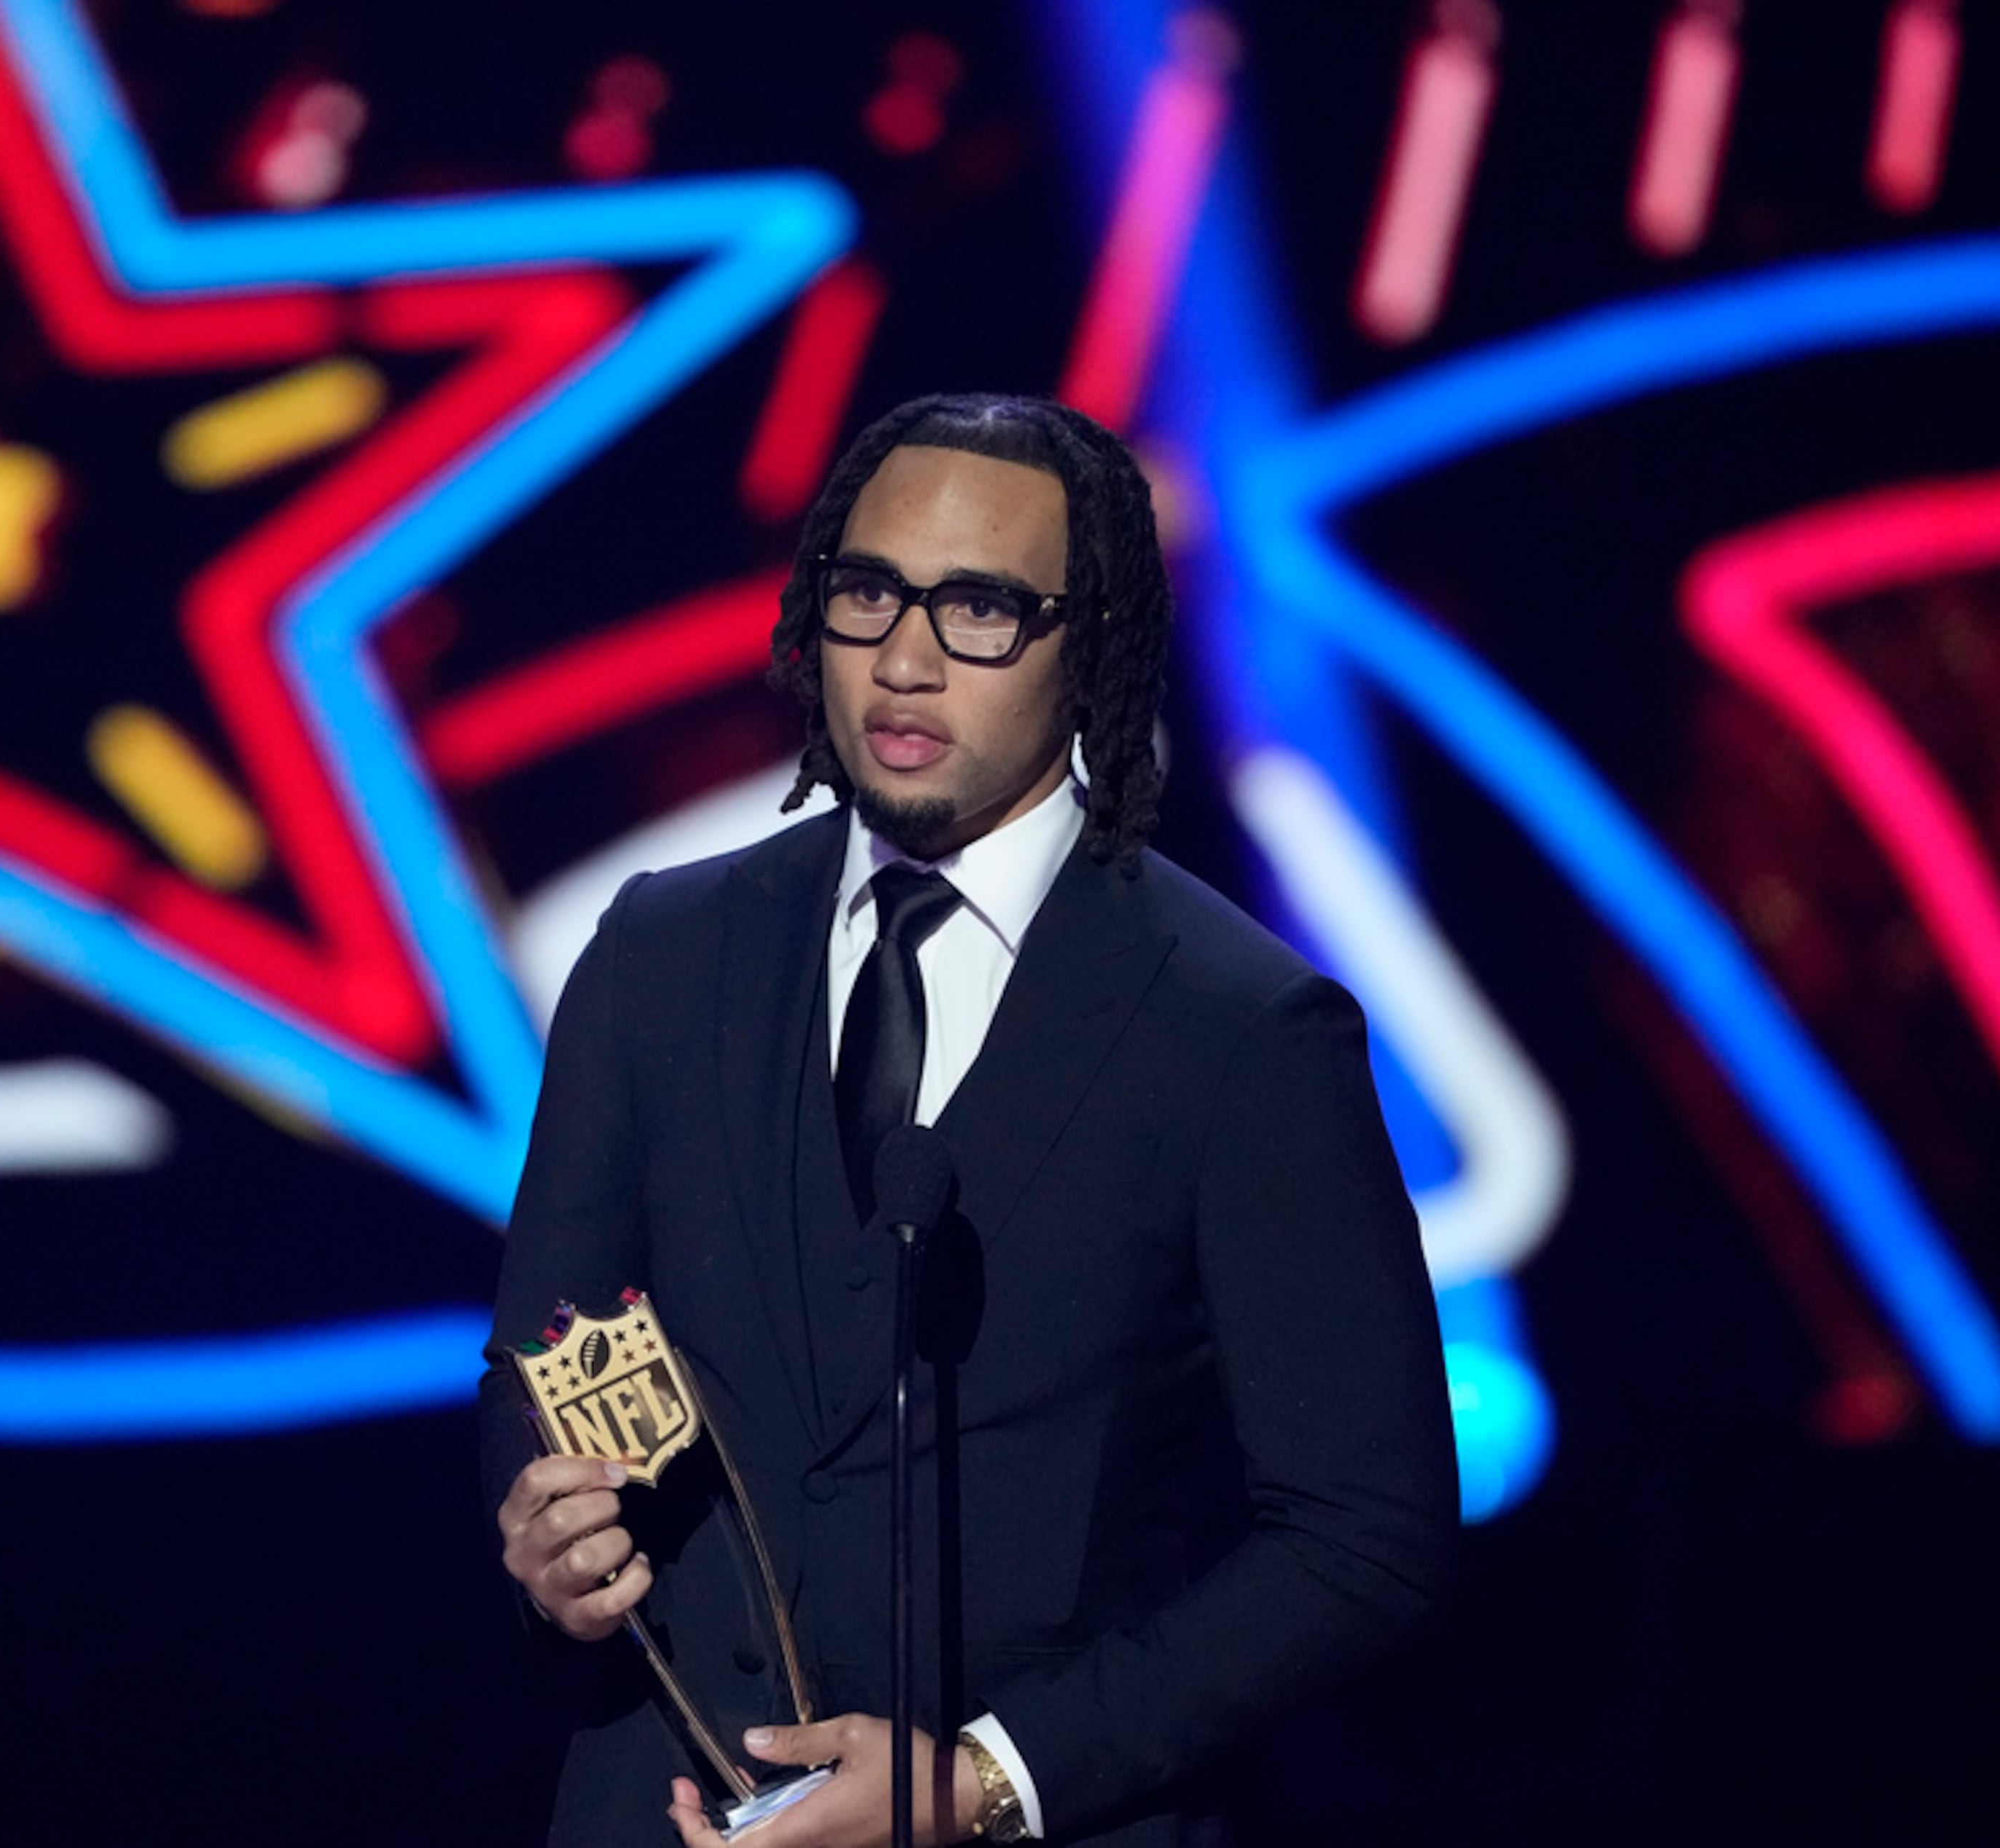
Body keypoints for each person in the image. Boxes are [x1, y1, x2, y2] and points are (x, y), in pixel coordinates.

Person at [480, 393, 1457, 1846]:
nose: (909, 656)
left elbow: (1364, 1537)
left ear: (1095, 649)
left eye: (984, 608)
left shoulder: (1242, 1031)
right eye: (869, 592)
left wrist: (989, 1778)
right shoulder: (658, 954)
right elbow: (539, 1354)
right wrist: (543, 1546)